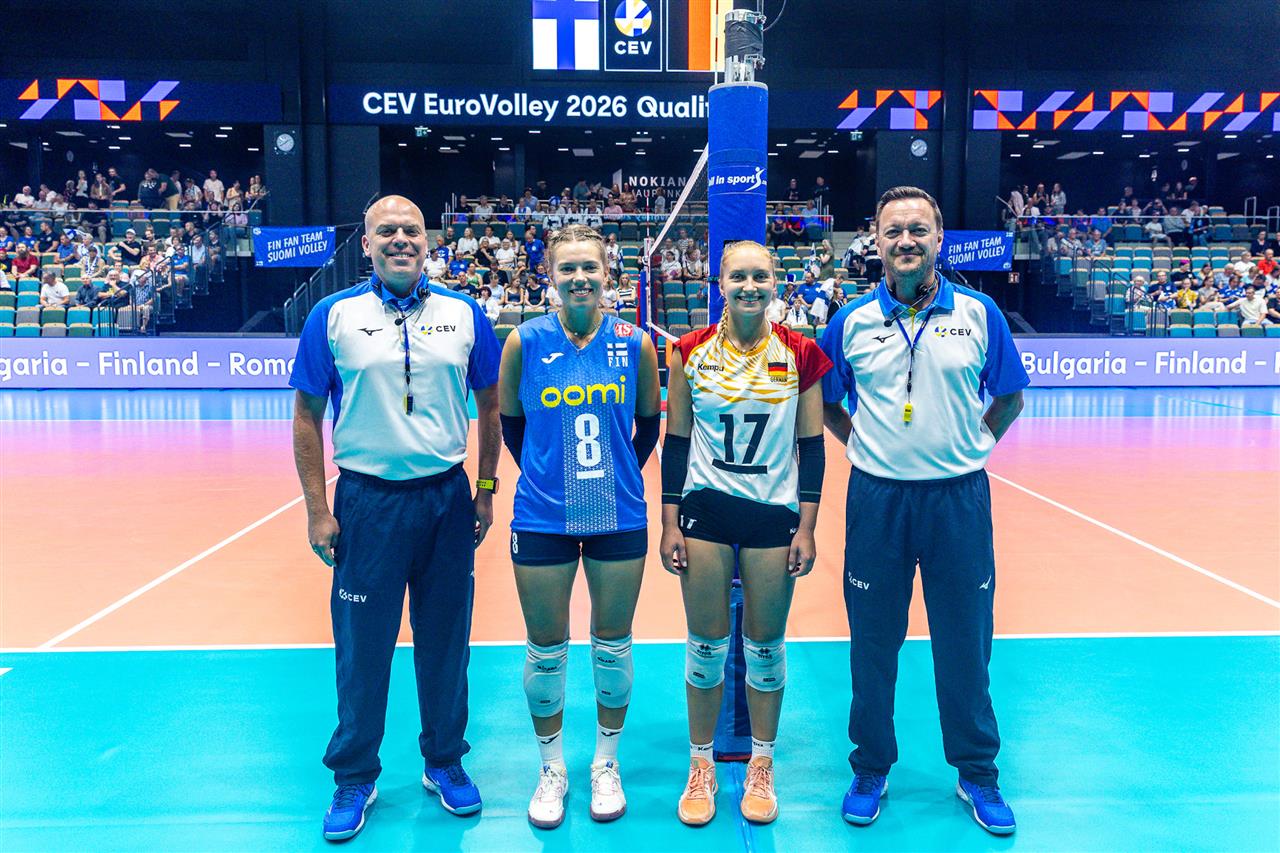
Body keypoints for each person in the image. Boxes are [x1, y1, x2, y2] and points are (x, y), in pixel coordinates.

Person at [289, 195, 501, 841]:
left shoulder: (464, 313)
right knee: (363, 648)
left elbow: (490, 406)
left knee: (446, 642)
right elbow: (306, 416)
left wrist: (485, 490)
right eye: (387, 230)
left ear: (427, 241)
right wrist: (318, 509)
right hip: (366, 504)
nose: (401, 239)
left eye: (411, 229)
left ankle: (445, 760)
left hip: (445, 500)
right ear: (367, 243)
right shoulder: (333, 315)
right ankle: (355, 774)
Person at [820, 186, 1028, 836]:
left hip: (958, 501)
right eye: (893, 231)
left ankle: (977, 773)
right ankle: (870, 768)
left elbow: (1010, 397)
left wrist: (974, 446)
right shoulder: (850, 321)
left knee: (966, 642)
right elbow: (827, 401)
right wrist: (866, 446)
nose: (905, 241)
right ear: (876, 241)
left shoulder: (980, 313)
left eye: (918, 229)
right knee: (873, 643)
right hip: (878, 502)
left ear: (939, 239)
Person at [661, 239, 832, 827]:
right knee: (706, 646)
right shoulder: (689, 350)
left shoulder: (801, 353)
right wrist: (669, 521)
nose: (750, 287)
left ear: (776, 283)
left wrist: (807, 526)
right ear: (721, 284)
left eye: (760, 276)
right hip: (706, 512)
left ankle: (762, 762)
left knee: (764, 646)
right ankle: (701, 764)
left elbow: (812, 447)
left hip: (773, 514)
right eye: (738, 277)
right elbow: (676, 442)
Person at [498, 224, 661, 829]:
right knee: (546, 651)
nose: (579, 278)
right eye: (567, 268)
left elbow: (647, 427)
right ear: (550, 276)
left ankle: (605, 763)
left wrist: (609, 476)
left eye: (589, 267)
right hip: (543, 514)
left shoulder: (635, 343)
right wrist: (550, 477)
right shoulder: (524, 341)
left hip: (618, 512)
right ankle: (551, 769)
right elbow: (512, 427)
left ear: (607, 273)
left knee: (612, 646)